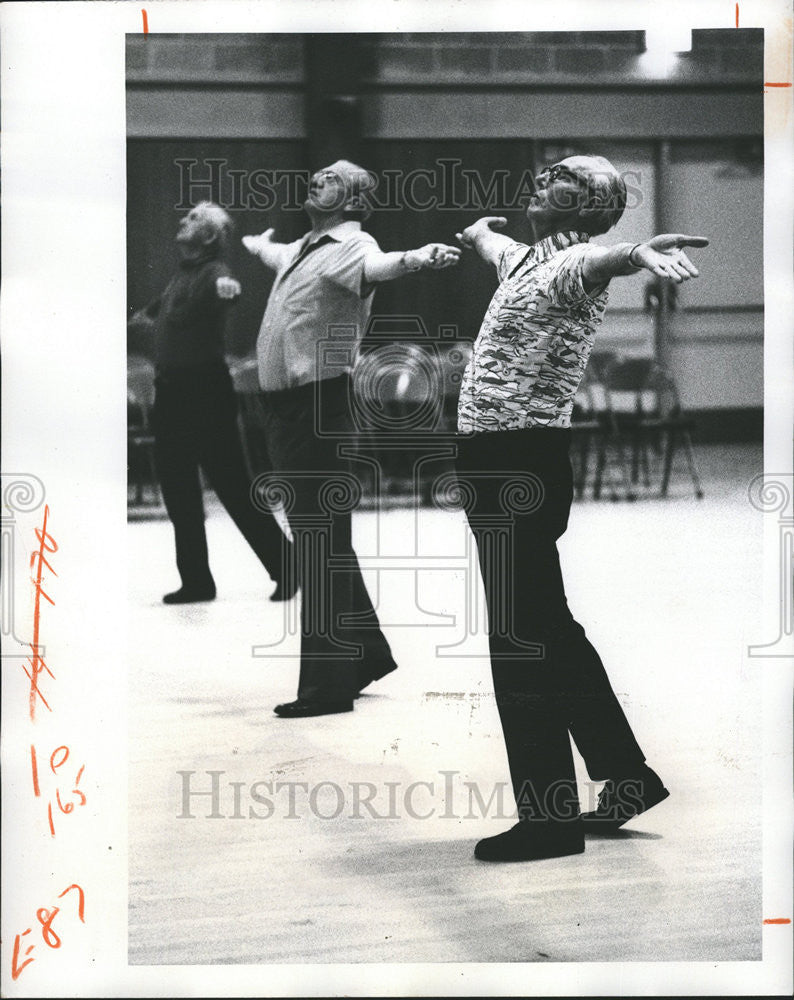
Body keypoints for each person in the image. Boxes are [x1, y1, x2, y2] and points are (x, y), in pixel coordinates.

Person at [454, 154, 708, 861]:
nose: (539, 179)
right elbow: (501, 248)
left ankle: (549, 820)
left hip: (515, 465)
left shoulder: (572, 265)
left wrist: (636, 252)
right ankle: (626, 777)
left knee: (521, 640)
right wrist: (478, 233)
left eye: (559, 177)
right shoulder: (525, 261)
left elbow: (599, 264)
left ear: (590, 204)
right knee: (549, 630)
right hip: (500, 462)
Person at [243, 159, 460, 718]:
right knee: (325, 541)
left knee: (318, 543)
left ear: (356, 200)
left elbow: (382, 265)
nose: (318, 177)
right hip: (288, 409)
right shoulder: (302, 248)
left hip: (318, 408)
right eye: (316, 174)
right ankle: (364, 655)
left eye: (333, 178)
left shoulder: (354, 245)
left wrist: (418, 259)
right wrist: (255, 244)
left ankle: (327, 688)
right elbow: (275, 254)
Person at [130, 201, 295, 605]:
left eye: (192, 219)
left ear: (207, 237)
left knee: (232, 485)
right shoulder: (182, 275)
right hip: (171, 392)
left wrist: (229, 290)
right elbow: (164, 309)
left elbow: (227, 287)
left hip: (204, 392)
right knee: (178, 487)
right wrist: (146, 315)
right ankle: (197, 581)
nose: (182, 220)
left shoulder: (215, 272)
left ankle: (287, 565)